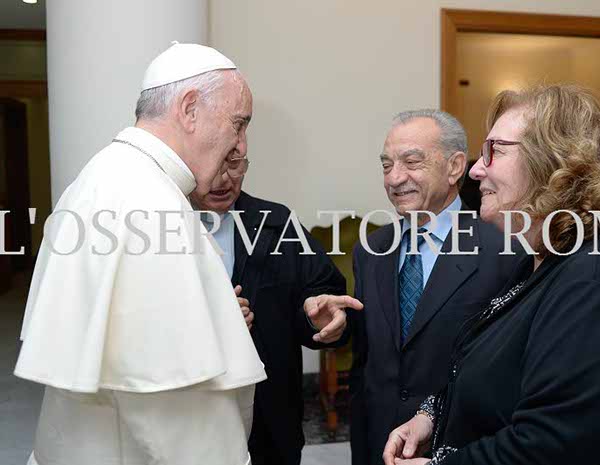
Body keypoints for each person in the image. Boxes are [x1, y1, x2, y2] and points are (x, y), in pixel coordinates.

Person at [382, 85, 600, 465]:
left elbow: (550, 446)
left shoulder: (599, 280)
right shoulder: (544, 258)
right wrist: (430, 416)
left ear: (551, 162)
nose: (476, 169)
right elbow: (497, 373)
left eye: (494, 151)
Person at [14, 43, 267, 465]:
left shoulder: (103, 175)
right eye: (238, 124)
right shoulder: (149, 202)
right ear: (189, 109)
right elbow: (174, 406)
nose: (240, 146)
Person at [190, 101, 362, 465]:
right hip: (190, 418)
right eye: (214, 166)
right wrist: (210, 321)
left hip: (271, 422)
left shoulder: (276, 222)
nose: (225, 180)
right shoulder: (157, 228)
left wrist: (320, 319)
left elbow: (322, 292)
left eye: (235, 165)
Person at [350, 109, 520, 465]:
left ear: (455, 167)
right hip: (378, 443)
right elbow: (368, 360)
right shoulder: (371, 250)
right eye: (386, 165)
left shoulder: (505, 249)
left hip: (461, 445)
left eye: (412, 162)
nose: (395, 178)